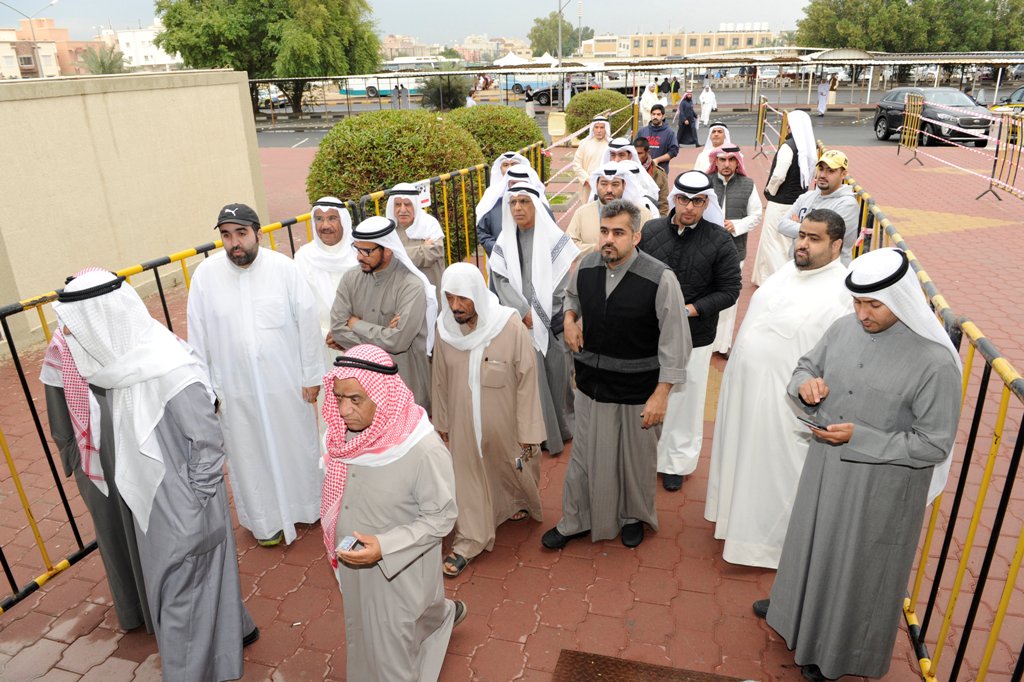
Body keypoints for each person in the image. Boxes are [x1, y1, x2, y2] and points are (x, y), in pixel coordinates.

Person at [756, 247, 962, 681]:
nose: (862, 313)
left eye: (874, 304)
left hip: (880, 489)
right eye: (857, 302)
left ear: (902, 299)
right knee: (811, 543)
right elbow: (805, 366)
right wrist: (805, 386)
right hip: (825, 467)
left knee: (856, 566)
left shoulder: (936, 362)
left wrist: (861, 437)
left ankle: (836, 654)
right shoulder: (843, 327)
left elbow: (934, 445)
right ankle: (792, 613)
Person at [55, 270, 257, 681]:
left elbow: (207, 442)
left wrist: (191, 503)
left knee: (179, 598)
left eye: (75, 329)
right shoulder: (123, 366)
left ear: (102, 322)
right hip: (161, 501)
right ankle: (235, 634)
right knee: (197, 584)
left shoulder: (166, 367)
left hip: (183, 503)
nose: (69, 339)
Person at [705, 209, 852, 569]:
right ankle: (733, 523)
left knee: (774, 476)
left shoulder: (843, 293)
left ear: (836, 246)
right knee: (743, 462)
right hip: (746, 395)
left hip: (783, 408)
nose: (802, 243)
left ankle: (767, 549)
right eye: (801, 235)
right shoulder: (790, 269)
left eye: (813, 239)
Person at [542, 199, 691, 550]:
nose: (609, 239)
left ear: (636, 236)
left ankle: (633, 517)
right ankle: (576, 519)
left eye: (619, 233)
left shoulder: (660, 278)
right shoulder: (587, 265)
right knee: (583, 458)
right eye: (604, 231)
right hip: (591, 385)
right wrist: (569, 319)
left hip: (638, 391)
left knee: (635, 461)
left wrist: (662, 394)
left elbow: (675, 341)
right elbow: (570, 297)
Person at [322, 345, 465, 682]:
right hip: (355, 566)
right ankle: (441, 616)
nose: (343, 410)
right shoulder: (345, 438)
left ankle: (438, 619)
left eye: (355, 399)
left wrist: (384, 546)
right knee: (363, 635)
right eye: (339, 397)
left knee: (391, 654)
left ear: (381, 395)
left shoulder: (422, 450)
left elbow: (442, 517)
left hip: (397, 572)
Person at [187, 203, 323, 547]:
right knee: (248, 455)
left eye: (241, 233)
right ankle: (264, 522)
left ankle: (306, 507)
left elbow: (307, 325)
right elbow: (197, 337)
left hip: (286, 383)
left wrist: (311, 376)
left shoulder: (284, 269)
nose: (235, 243)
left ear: (258, 233)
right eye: (226, 235)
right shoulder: (206, 276)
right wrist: (207, 391)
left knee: (294, 444)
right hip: (234, 389)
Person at [40, 304, 152, 634]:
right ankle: (133, 610)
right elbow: (59, 417)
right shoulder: (59, 350)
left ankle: (163, 604)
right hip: (96, 462)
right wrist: (74, 461)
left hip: (136, 448)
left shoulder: (122, 331)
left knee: (147, 526)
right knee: (113, 533)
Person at [431, 264, 546, 577]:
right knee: (467, 476)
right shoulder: (444, 329)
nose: (455, 306)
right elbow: (439, 378)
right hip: (462, 422)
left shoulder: (508, 326)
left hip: (505, 420)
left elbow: (527, 380)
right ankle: (470, 539)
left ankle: (515, 502)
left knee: (510, 468)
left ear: (478, 297)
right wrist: (441, 420)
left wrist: (528, 429)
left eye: (463, 299)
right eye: (450, 297)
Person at [639, 171, 741, 491]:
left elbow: (730, 290)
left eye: (697, 202)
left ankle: (676, 462)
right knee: (648, 393)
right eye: (683, 199)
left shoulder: (720, 239)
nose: (689, 208)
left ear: (706, 203)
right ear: (674, 199)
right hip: (650, 331)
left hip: (695, 335)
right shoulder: (652, 230)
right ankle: (645, 456)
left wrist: (687, 311)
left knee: (686, 397)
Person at [489, 183, 579, 456]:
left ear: (536, 205)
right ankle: (539, 433)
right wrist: (521, 310)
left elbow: (564, 278)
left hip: (552, 321)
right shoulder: (505, 241)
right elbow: (500, 280)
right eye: (513, 202)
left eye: (524, 202)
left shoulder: (553, 238)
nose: (517, 208)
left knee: (557, 376)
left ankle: (563, 428)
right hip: (521, 321)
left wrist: (543, 312)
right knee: (531, 380)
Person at [330, 216, 437, 412]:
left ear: (388, 250)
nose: (359, 257)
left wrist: (356, 324)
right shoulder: (350, 279)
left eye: (367, 251)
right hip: (362, 390)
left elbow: (399, 342)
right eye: (357, 248)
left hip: (405, 387)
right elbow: (337, 329)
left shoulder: (410, 286)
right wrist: (384, 333)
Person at [707, 146, 763, 355]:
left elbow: (756, 215)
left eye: (732, 160)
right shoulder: (706, 182)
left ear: (737, 162)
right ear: (716, 161)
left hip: (734, 250)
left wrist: (736, 225)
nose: (727, 164)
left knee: (729, 298)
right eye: (722, 160)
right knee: (706, 293)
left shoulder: (747, 185)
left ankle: (723, 345)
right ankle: (707, 341)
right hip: (706, 249)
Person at [751, 110, 816, 286]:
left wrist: (769, 191)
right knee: (787, 242)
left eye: (789, 124)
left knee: (773, 242)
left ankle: (771, 281)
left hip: (780, 202)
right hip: (798, 202)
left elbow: (779, 175)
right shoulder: (808, 147)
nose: (786, 127)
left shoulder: (788, 146)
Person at [294, 197, 358, 370]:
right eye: (319, 219)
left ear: (344, 221)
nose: (325, 226)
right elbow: (299, 305)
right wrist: (326, 335)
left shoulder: (359, 253)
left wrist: (345, 334)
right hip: (320, 343)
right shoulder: (303, 257)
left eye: (332, 218)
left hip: (359, 342)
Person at [777, 149, 860, 265]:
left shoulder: (847, 204)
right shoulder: (806, 197)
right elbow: (781, 225)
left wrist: (797, 227)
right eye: (821, 169)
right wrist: (813, 231)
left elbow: (827, 236)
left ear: (843, 174)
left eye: (830, 171)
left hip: (828, 272)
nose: (822, 175)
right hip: (798, 265)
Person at [567, 162, 653, 256]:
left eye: (615, 184)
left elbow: (650, 246)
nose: (609, 190)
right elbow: (568, 245)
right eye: (604, 184)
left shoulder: (642, 213)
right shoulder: (582, 213)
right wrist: (596, 248)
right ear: (596, 185)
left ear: (624, 186)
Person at [476, 159, 549, 257]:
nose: (518, 187)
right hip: (501, 264)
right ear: (508, 184)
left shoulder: (541, 208)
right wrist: (497, 250)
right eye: (514, 184)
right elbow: (482, 232)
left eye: (523, 183)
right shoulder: (494, 206)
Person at [386, 182, 446, 296]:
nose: (402, 210)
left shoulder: (429, 224)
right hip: (401, 291)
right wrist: (422, 248)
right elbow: (387, 259)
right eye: (398, 204)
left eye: (407, 204)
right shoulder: (389, 230)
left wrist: (397, 253)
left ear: (415, 205)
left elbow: (434, 252)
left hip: (430, 287)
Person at [572, 116, 611, 202]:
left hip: (607, 187)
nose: (599, 130)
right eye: (596, 127)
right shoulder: (584, 144)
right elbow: (576, 164)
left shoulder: (611, 145)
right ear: (593, 129)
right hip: (587, 187)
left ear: (606, 129)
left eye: (602, 127)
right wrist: (587, 179)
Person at [636, 103, 679, 175]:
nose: (655, 116)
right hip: (642, 172)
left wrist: (657, 160)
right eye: (653, 114)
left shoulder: (669, 133)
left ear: (663, 116)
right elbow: (634, 149)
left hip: (660, 173)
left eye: (658, 114)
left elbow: (673, 151)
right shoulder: (642, 131)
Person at [633, 136, 670, 215]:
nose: (637, 156)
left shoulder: (659, 174)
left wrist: (660, 222)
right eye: (634, 153)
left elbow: (663, 203)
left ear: (648, 152)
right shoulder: (627, 171)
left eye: (640, 153)